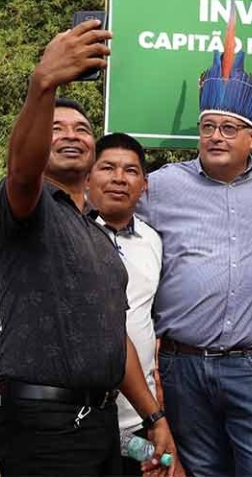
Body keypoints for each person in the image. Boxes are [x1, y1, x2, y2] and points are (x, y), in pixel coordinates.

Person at [0, 20, 174, 476]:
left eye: (82, 129)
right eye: (56, 128)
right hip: (42, 429)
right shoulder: (28, 207)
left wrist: (153, 415)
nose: (71, 134)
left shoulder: (97, 235)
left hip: (101, 423)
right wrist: (43, 83)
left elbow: (116, 335)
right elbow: (22, 171)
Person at [136, 22, 252, 476]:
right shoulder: (160, 187)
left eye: (230, 128)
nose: (217, 136)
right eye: (209, 126)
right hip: (182, 365)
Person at [86, 132, 162, 476]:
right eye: (108, 167)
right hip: (81, 419)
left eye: (131, 171)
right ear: (88, 175)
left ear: (144, 184)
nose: (119, 178)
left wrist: (156, 414)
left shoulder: (153, 241)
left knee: (152, 466)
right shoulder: (68, 235)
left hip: (137, 421)